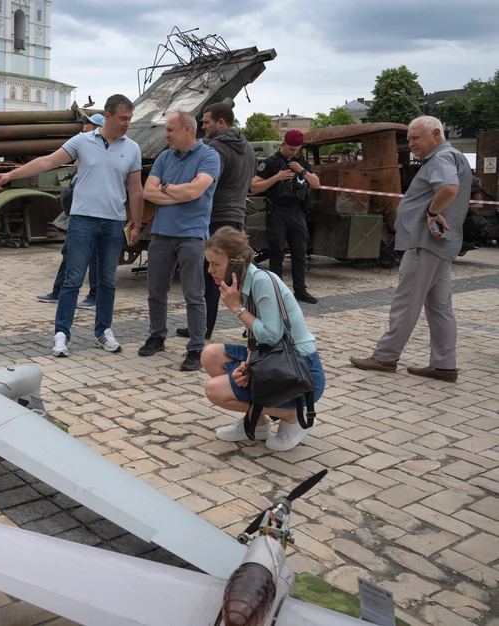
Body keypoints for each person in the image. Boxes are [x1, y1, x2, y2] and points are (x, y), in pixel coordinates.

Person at [0, 94, 144, 357]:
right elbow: (48, 161)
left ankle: (103, 331)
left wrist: (136, 224)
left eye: (130, 118)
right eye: (123, 118)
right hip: (83, 219)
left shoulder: (132, 148)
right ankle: (62, 334)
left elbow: (136, 189)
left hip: (114, 221)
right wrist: (11, 174)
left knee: (107, 281)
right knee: (72, 279)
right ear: (107, 116)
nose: (127, 123)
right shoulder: (81, 141)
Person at [349, 116, 472, 382]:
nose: (411, 144)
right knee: (440, 307)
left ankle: (385, 357)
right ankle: (443, 365)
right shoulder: (453, 156)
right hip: (438, 244)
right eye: (409, 139)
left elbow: (449, 188)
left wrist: (431, 211)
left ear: (436, 133)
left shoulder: (441, 158)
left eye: (416, 138)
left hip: (424, 243)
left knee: (406, 303)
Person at [201, 227, 325, 451]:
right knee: (210, 355)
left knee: (214, 390)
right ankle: (256, 422)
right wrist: (247, 364)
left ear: (237, 262)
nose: (210, 270)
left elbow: (271, 334)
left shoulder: (261, 281)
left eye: (215, 264)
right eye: (209, 263)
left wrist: (237, 308)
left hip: (302, 372)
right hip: (275, 357)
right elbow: (257, 339)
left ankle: (292, 416)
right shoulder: (244, 283)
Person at [138, 112, 220, 371]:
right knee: (155, 291)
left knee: (194, 294)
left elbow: (196, 191)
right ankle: (156, 336)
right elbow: (147, 192)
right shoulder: (164, 157)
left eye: (170, 130)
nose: (166, 135)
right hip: (161, 233)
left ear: (187, 129)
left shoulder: (209, 156)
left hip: (192, 235)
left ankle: (196, 349)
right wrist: (180, 192)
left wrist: (165, 187)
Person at [177, 102, 256, 341]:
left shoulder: (216, 148)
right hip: (237, 217)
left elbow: (208, 182)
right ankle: (254, 324)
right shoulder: (249, 147)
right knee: (240, 276)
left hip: (216, 218)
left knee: (210, 277)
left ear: (221, 123)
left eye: (206, 122)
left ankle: (202, 329)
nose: (203, 127)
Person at [36, 113, 104, 310]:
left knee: (93, 257)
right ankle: (58, 291)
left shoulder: (100, 152)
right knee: (69, 252)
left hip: (93, 212)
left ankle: (94, 295)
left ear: (98, 128)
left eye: (88, 124)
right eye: (84, 123)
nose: (84, 126)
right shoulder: (82, 148)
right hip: (77, 211)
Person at [249, 129, 320, 304]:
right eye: (291, 149)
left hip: (297, 213)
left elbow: (316, 184)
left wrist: (302, 171)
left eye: (297, 149)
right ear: (283, 144)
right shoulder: (270, 163)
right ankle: (276, 290)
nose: (294, 152)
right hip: (277, 213)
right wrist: (277, 177)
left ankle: (300, 290)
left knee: (299, 253)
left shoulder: (301, 162)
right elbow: (254, 187)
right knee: (277, 253)